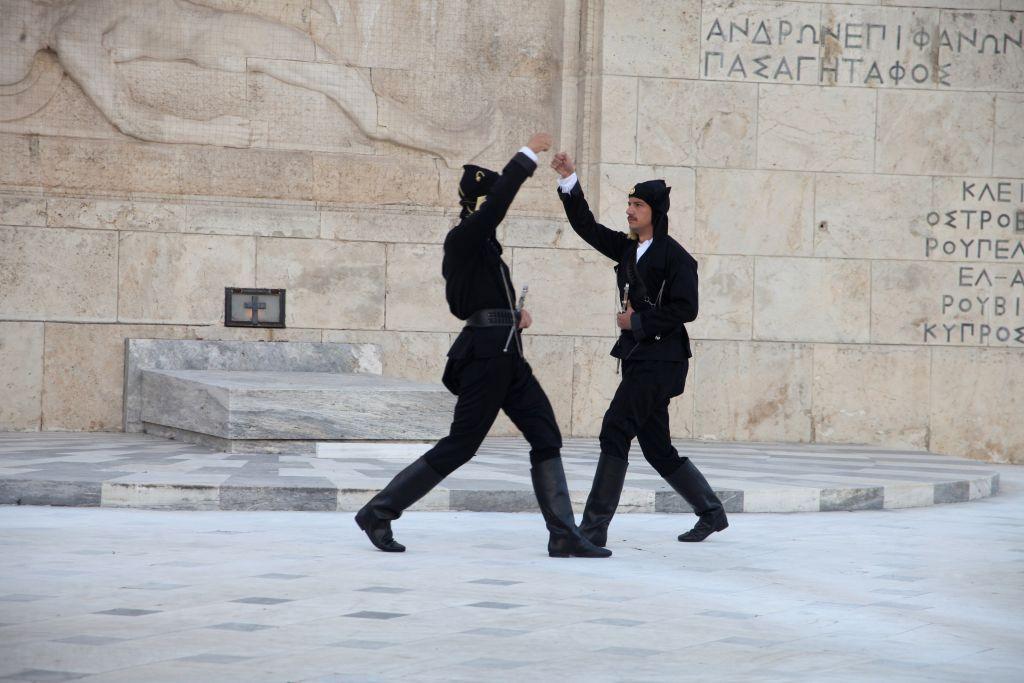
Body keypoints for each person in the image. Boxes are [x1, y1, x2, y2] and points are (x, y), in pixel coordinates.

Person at [355, 135, 610, 559]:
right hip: (486, 359)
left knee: (545, 434)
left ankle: (563, 533)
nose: (495, 209)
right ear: (479, 204)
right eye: (489, 202)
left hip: (506, 355)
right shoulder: (465, 237)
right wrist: (528, 153)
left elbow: (474, 300)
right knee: (462, 444)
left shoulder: (482, 248)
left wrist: (513, 315)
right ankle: (378, 512)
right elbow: (499, 205)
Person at [550, 151, 728, 545]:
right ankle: (711, 512)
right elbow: (586, 227)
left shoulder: (676, 257)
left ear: (655, 212)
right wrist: (569, 180)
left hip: (663, 360)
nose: (630, 211)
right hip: (639, 358)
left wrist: (639, 322)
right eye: (629, 203)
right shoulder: (628, 249)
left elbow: (687, 308)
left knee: (615, 428)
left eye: (638, 205)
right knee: (657, 448)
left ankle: (592, 531)